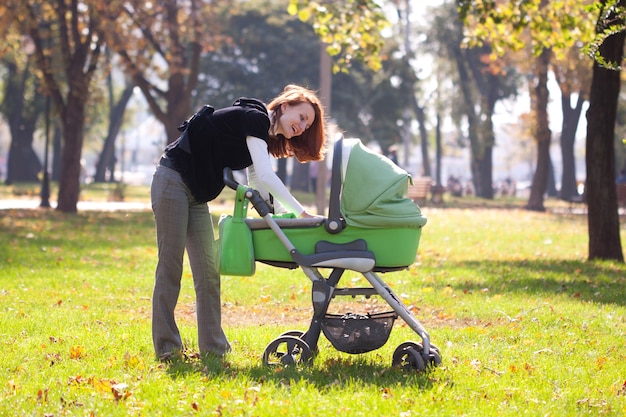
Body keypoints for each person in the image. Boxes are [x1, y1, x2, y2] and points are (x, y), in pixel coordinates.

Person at [150, 84, 326, 361]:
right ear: (284, 106)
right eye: (302, 117)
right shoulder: (255, 119)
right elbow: (266, 177)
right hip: (172, 181)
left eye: (308, 124)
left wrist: (282, 217)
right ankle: (167, 348)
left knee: (208, 273)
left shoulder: (259, 136)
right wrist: (303, 213)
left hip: (196, 196)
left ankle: (214, 349)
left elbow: (257, 181)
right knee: (171, 267)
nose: (303, 127)